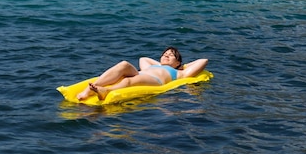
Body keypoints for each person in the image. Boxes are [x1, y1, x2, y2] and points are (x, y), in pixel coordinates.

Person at [76, 47, 208, 101]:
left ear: (178, 62)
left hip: (155, 80)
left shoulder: (181, 73)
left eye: (171, 55)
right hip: (141, 74)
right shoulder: (154, 65)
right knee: (124, 64)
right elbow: (142, 59)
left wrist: (180, 66)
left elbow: (203, 61)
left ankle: (106, 90)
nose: (166, 56)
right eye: (164, 54)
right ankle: (90, 89)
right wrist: (164, 63)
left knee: (128, 81)